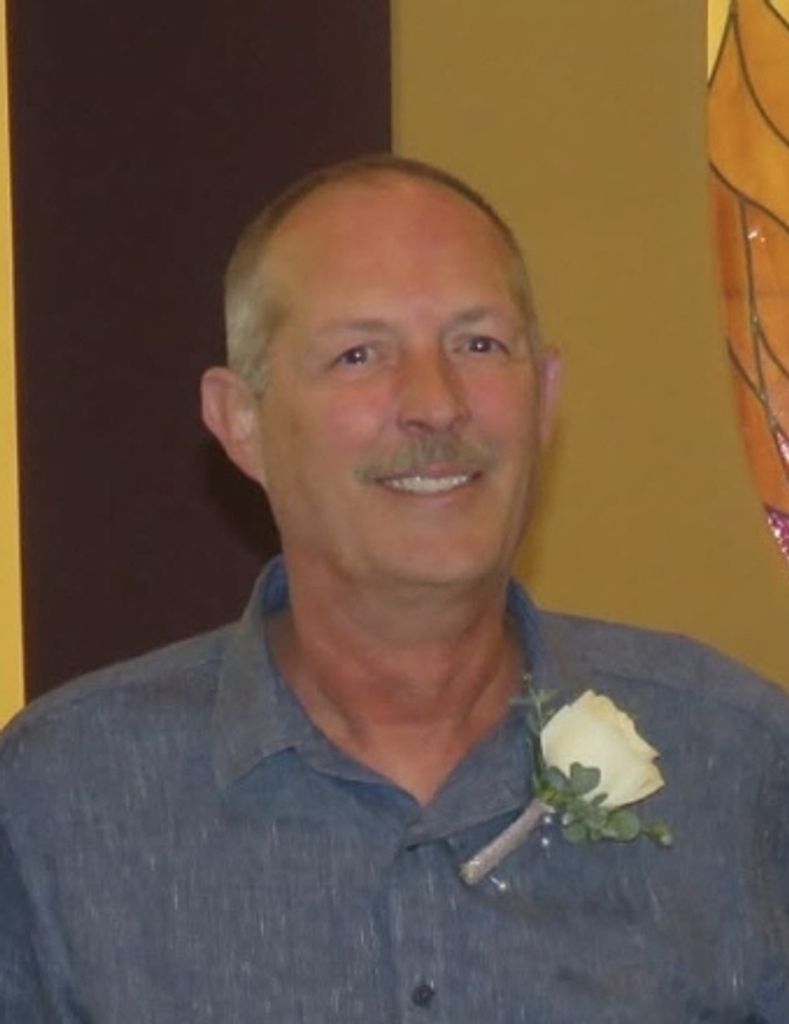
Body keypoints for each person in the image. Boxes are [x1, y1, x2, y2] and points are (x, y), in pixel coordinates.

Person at [1, 154, 787, 1023]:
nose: (435, 404)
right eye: (359, 354)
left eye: (478, 345)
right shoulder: (65, 800)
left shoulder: (736, 763)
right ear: (241, 422)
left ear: (544, 396)